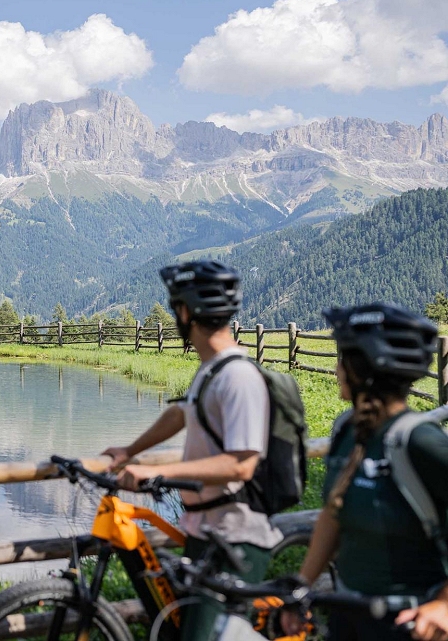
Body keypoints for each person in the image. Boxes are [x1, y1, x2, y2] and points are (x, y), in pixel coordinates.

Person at [102, 260, 283, 641]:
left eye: (175, 309)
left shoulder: (238, 377)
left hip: (234, 537)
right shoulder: (211, 370)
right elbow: (181, 413)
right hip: (206, 530)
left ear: (187, 312)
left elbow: (242, 465)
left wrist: (156, 472)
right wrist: (129, 450)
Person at [281, 303, 448, 641]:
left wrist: (444, 605)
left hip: (409, 625)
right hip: (348, 615)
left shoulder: (419, 441)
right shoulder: (348, 430)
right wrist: (302, 587)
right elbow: (332, 515)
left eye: (343, 358)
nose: (337, 368)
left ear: (364, 370)